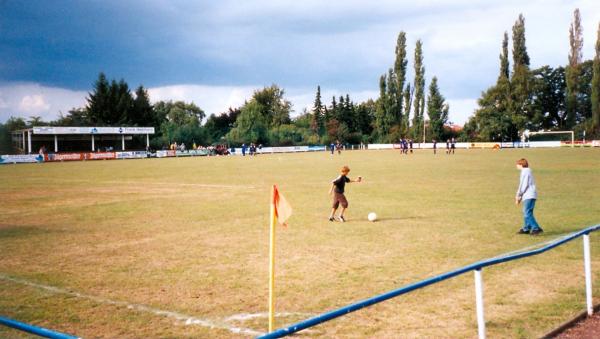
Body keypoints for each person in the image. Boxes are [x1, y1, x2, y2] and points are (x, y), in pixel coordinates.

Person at [515, 158, 543, 235]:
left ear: (521, 165)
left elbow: (524, 185)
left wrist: (518, 195)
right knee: (527, 212)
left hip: (529, 195)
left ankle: (536, 228)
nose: (516, 166)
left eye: (517, 164)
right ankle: (526, 228)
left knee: (526, 212)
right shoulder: (526, 171)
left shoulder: (525, 172)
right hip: (528, 195)